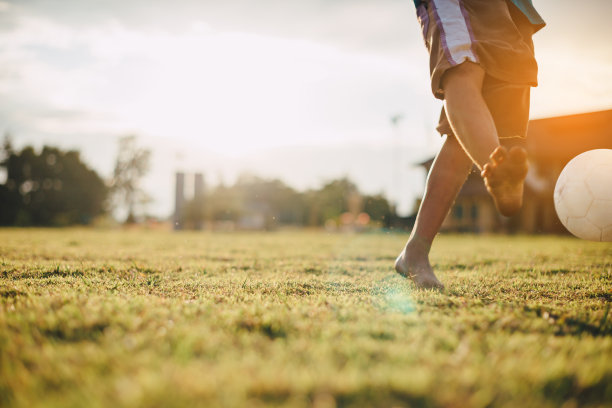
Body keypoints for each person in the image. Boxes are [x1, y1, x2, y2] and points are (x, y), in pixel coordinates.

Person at [395, 0, 545, 289]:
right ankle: (496, 170)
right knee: (463, 66)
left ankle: (414, 251)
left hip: (510, 7)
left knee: (468, 132)